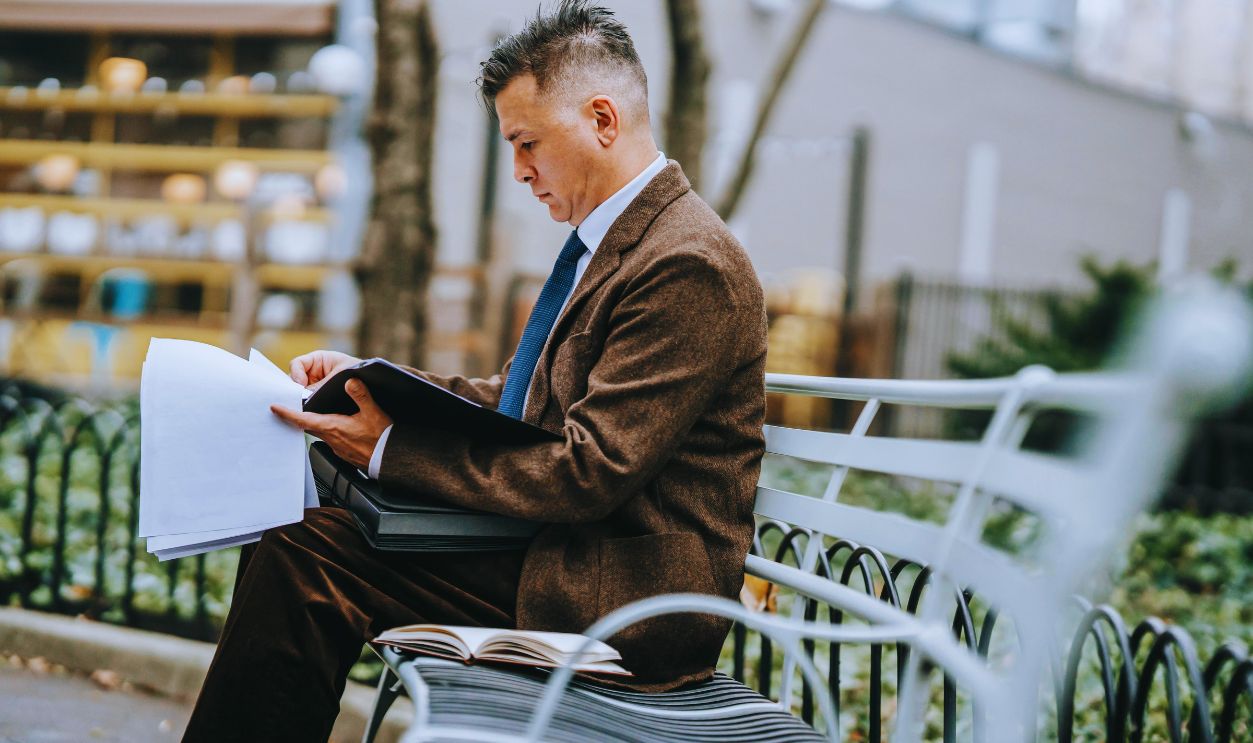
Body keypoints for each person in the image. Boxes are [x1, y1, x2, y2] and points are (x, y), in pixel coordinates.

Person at [182, 2, 766, 740]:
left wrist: (392, 451)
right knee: (302, 533)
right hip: (564, 558)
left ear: (602, 120)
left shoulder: (686, 264)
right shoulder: (623, 242)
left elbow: (588, 471)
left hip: (624, 598)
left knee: (309, 551)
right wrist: (371, 380)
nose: (519, 171)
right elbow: (519, 400)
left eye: (527, 143)